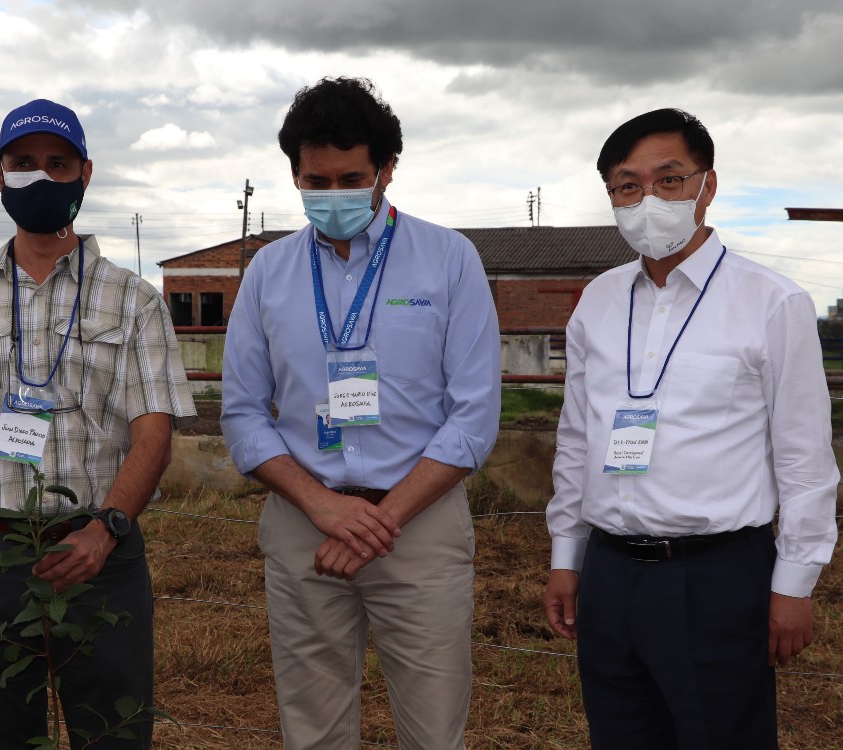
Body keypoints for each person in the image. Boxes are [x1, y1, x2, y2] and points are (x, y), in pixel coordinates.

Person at [0, 99, 196, 749]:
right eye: (23, 164)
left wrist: (105, 532)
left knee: (115, 734)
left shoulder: (133, 302)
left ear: (86, 172)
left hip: (98, 556)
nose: (40, 178)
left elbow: (153, 434)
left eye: (58, 163)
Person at [542, 108, 839, 749]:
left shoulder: (771, 302)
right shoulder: (598, 300)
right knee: (620, 735)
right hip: (611, 570)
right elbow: (576, 440)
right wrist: (567, 558)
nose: (648, 199)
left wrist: (794, 583)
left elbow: (805, 459)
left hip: (716, 575)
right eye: (627, 186)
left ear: (707, 185)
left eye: (669, 179)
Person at [221, 76, 501, 749]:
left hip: (420, 530)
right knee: (312, 731)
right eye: (316, 181)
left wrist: (382, 519)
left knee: (433, 731)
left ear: (387, 170)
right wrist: (323, 507)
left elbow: (472, 417)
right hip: (303, 528)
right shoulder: (268, 271)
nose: (333, 195)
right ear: (294, 174)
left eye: (352, 178)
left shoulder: (449, 259)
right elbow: (242, 413)